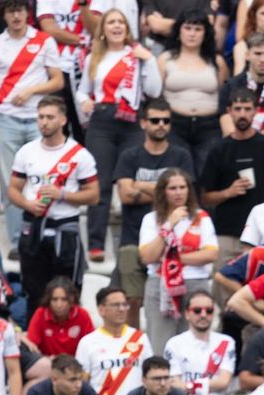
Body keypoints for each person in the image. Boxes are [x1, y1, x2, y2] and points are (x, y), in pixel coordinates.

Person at [0, 0, 62, 253]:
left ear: (28, 13)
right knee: (10, 182)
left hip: (40, 119)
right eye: (11, 11)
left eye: (20, 11)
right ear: (4, 15)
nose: (16, 16)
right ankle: (18, 239)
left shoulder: (44, 41)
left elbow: (58, 81)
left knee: (42, 178)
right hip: (4, 118)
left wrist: (31, 90)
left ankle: (44, 233)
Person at [77, 10, 160, 262]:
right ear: (103, 29)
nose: (116, 26)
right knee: (99, 183)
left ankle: (132, 241)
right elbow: (83, 92)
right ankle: (95, 243)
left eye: (120, 22)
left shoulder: (138, 56)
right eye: (111, 22)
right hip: (102, 121)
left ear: (127, 28)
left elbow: (154, 90)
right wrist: (84, 103)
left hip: (132, 123)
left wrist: (150, 61)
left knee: (131, 184)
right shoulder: (94, 57)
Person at [8, 96, 98, 313]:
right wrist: (28, 204)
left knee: (68, 294)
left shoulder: (80, 155)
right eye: (40, 117)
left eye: (50, 117)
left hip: (65, 228)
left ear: (63, 120)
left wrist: (62, 194)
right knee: (33, 292)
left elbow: (93, 195)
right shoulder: (26, 151)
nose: (44, 122)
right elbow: (12, 190)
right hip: (34, 225)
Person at [115, 97, 196, 324]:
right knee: (131, 298)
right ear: (143, 123)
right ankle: (134, 342)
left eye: (166, 120)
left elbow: (185, 197)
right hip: (133, 238)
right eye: (155, 120)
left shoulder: (181, 155)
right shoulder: (130, 156)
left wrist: (140, 186)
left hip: (176, 240)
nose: (161, 124)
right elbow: (124, 194)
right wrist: (165, 191)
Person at [200, 88, 264, 271]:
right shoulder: (219, 150)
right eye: (238, 109)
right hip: (228, 233)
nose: (242, 114)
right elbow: (204, 197)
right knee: (224, 288)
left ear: (255, 111)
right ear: (229, 112)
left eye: (247, 109)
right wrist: (228, 192)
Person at [137, 167, 217, 352]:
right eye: (173, 188)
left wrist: (171, 257)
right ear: (163, 192)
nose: (179, 192)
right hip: (160, 286)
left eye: (183, 187)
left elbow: (210, 254)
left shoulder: (201, 218)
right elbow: (148, 256)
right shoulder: (151, 220)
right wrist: (169, 224)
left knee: (194, 346)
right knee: (161, 346)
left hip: (195, 284)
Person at [77, 285, 153, 395]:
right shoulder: (87, 342)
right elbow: (81, 384)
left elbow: (150, 378)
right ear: (101, 309)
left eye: (124, 304)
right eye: (116, 305)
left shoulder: (140, 338)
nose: (122, 309)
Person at [159, 11, 227, 176]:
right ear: (179, 31)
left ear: (205, 33)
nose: (192, 34)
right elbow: (156, 96)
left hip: (209, 126)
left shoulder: (217, 62)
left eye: (198, 29)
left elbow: (224, 97)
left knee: (207, 175)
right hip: (175, 124)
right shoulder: (164, 59)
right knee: (180, 175)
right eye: (187, 28)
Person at [164, 290, 234, 395]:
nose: (203, 315)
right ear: (187, 314)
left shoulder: (226, 341)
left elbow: (224, 382)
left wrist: (190, 385)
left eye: (208, 311)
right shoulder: (175, 343)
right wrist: (206, 385)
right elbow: (174, 383)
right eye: (197, 310)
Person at [22, 275, 92, 367]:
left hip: (76, 368)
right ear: (48, 300)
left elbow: (91, 346)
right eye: (55, 299)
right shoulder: (40, 313)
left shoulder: (82, 315)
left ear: (72, 300)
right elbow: (32, 345)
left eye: (64, 299)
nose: (59, 304)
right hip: (48, 367)